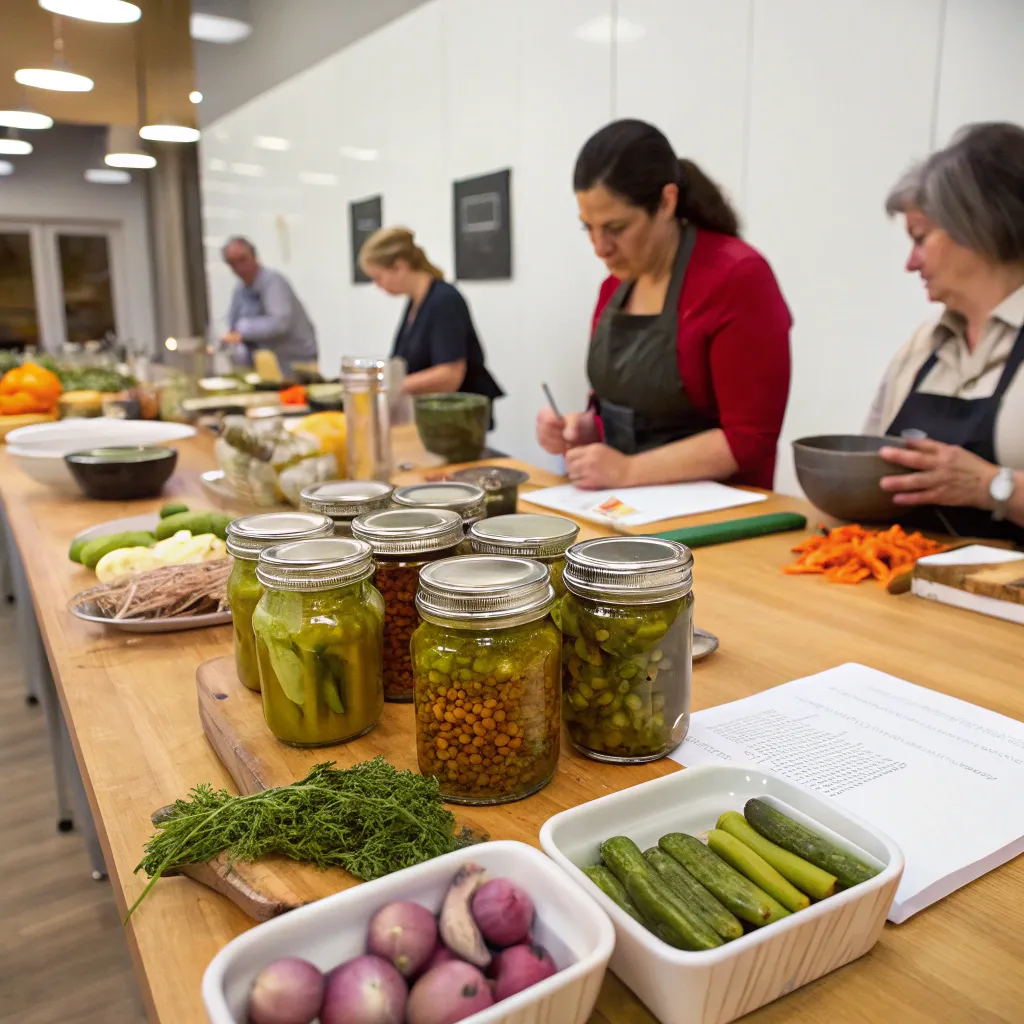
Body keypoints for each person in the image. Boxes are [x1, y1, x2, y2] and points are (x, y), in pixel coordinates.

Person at [536, 119, 792, 491]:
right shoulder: (614, 287)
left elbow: (750, 439)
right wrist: (587, 428)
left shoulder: (737, 278)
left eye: (616, 228)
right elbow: (628, 412)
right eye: (587, 227)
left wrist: (628, 471)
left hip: (721, 511)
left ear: (666, 202)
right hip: (624, 507)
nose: (599, 248)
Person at [867, 122, 1024, 543]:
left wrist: (992, 487)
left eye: (920, 239)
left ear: (977, 227)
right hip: (907, 575)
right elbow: (867, 467)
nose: (910, 263)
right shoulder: (922, 347)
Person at [358, 227, 504, 402]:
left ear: (400, 267)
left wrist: (385, 387)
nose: (378, 285)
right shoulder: (416, 302)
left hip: (458, 412)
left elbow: (449, 375)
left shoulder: (444, 300)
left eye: (378, 277)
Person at [221, 236, 318, 376]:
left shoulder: (273, 282)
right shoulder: (240, 289)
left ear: (254, 257)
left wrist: (244, 329)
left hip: (295, 363)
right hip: (263, 365)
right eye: (233, 263)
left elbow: (279, 322)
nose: (239, 267)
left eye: (243, 259)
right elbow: (233, 325)